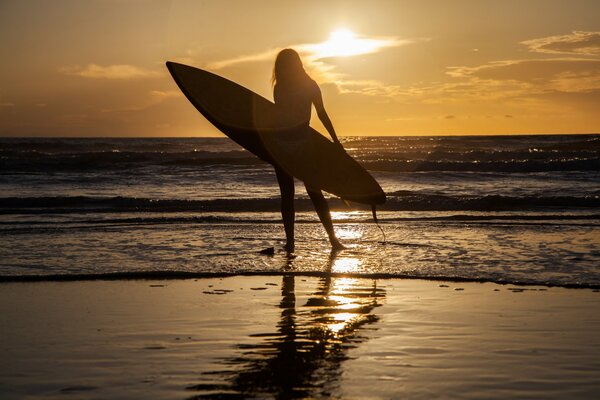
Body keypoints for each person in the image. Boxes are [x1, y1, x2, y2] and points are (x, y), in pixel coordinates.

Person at [271, 48, 345, 253]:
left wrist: (335, 140)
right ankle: (293, 242)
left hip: (295, 145)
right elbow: (281, 119)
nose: (285, 68)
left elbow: (321, 114)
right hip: (288, 145)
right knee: (292, 195)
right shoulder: (285, 87)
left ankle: (331, 240)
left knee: (312, 193)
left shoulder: (303, 86)